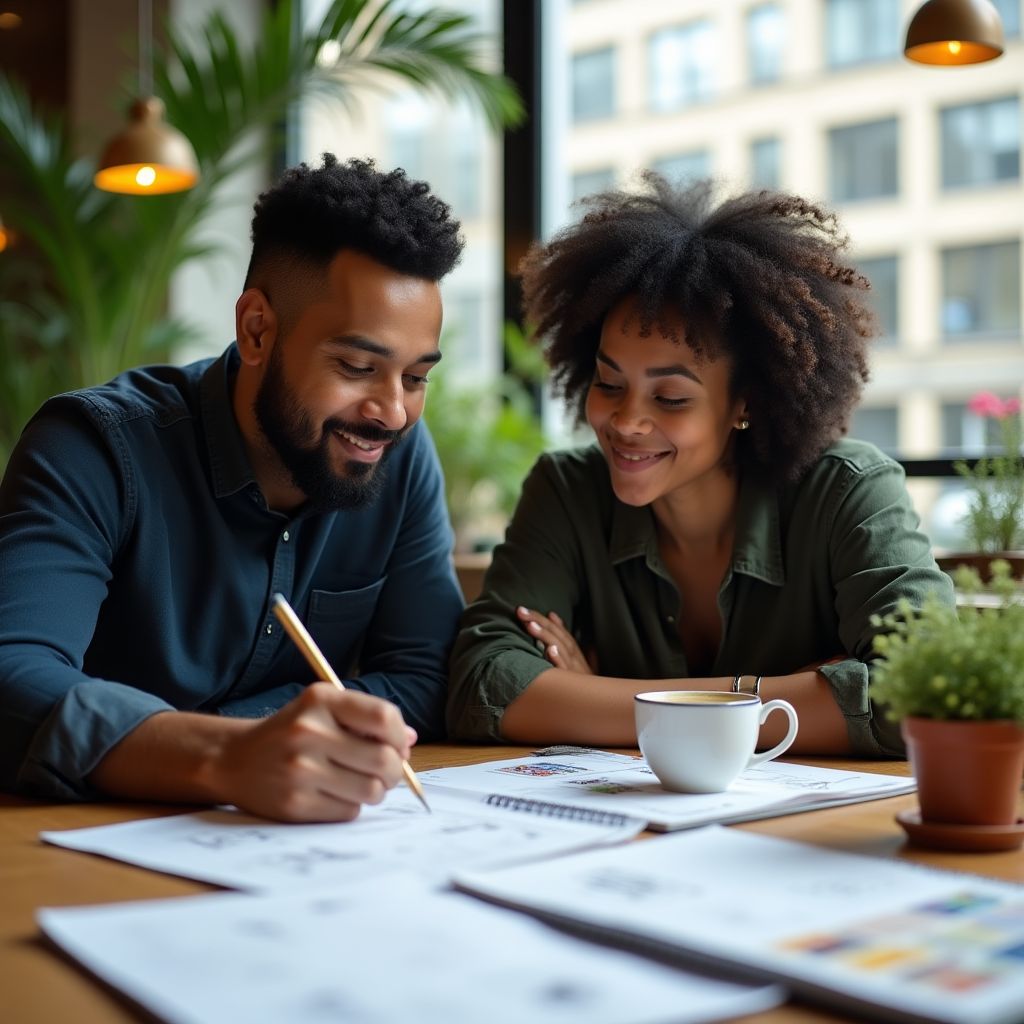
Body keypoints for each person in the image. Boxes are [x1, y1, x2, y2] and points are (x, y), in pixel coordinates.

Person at [0, 155, 465, 821]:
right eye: (358, 366)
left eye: (416, 377)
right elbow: (12, 673)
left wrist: (258, 738)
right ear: (255, 329)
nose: (392, 411)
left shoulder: (397, 455)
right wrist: (224, 753)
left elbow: (425, 674)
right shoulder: (95, 447)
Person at [447, 175, 954, 757]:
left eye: (670, 398)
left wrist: (596, 698)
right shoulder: (566, 491)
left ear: (745, 403)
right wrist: (802, 693)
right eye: (610, 383)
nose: (626, 422)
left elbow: (920, 691)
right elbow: (481, 685)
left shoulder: (848, 492)